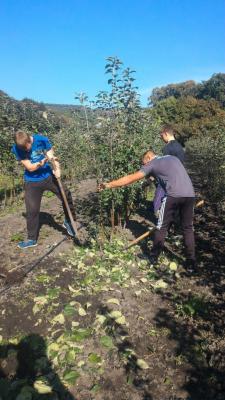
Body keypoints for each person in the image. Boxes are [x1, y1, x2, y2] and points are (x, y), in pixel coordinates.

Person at [98, 149, 196, 268]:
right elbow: (169, 174)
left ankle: (153, 257)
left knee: (161, 227)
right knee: (188, 227)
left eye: (143, 163)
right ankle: (191, 263)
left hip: (172, 195)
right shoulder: (172, 158)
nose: (144, 165)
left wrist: (109, 185)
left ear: (148, 157)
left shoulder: (152, 164)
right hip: (190, 194)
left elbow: (131, 178)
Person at [12, 130, 76, 249]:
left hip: (48, 177)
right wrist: (42, 162)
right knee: (32, 210)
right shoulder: (16, 148)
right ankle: (32, 239)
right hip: (31, 181)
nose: (26, 151)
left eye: (27, 148)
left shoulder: (41, 139)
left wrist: (57, 170)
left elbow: (52, 156)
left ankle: (69, 221)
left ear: (30, 140)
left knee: (66, 194)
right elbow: (30, 168)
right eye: (24, 150)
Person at [153, 125, 185, 215]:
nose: (162, 138)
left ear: (166, 134)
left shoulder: (167, 148)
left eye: (162, 136)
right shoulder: (179, 146)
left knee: (158, 201)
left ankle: (160, 219)